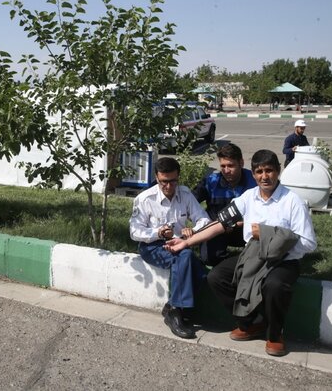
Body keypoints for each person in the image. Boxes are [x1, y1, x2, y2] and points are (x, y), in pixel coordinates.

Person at [164, 150, 317, 356]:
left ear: (278, 171)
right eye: (259, 171)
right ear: (253, 174)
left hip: (283, 261)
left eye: (269, 171)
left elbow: (308, 242)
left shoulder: (292, 201)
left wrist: (271, 240)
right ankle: (252, 323)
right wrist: (186, 242)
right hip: (252, 257)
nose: (264, 176)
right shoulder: (248, 197)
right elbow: (219, 224)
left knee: (274, 284)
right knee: (217, 277)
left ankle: (275, 334)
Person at [129, 157, 211, 339]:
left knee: (201, 272)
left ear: (178, 177)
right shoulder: (145, 199)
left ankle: (173, 308)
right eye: (164, 182)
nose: (169, 186)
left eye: (173, 181)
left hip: (181, 243)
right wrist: (158, 233)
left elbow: (204, 219)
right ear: (157, 178)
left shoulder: (185, 194)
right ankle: (177, 311)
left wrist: (192, 231)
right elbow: (135, 232)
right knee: (188, 260)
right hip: (153, 246)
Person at [192, 143, 257, 266]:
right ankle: (229, 266)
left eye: (230, 166)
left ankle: (247, 264)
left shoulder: (255, 181)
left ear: (241, 163)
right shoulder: (211, 182)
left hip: (245, 228)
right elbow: (189, 203)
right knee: (208, 258)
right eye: (223, 166)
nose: (226, 171)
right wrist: (202, 221)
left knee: (262, 255)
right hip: (217, 229)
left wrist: (241, 222)